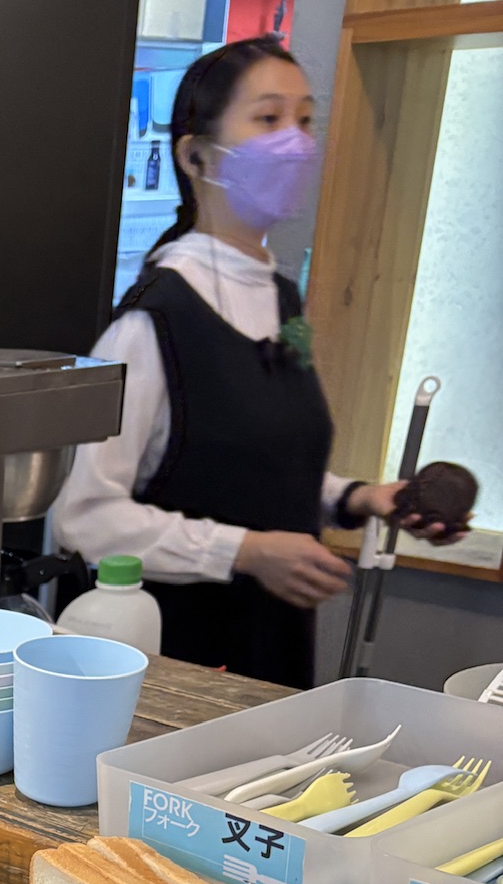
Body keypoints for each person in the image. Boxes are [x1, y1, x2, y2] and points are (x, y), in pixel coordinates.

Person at [49, 35, 459, 686]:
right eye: (268, 118)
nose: (293, 142)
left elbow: (252, 465)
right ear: (195, 155)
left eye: (305, 119)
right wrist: (247, 551)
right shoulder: (153, 323)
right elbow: (86, 517)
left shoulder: (279, 297)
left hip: (273, 650)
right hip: (180, 664)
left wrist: (358, 498)